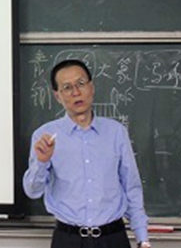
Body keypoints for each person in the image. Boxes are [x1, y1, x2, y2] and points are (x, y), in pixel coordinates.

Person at [23, 59, 151, 248]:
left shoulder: (115, 132)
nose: (76, 92)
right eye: (67, 88)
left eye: (81, 83)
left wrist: (143, 239)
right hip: (68, 239)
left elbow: (131, 187)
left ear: (92, 87)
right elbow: (33, 191)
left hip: (113, 238)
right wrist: (41, 162)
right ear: (57, 96)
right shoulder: (45, 136)